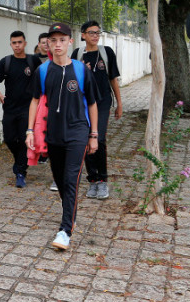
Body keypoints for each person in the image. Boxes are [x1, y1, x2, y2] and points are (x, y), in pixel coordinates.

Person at [26, 23, 99, 251]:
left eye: (62, 40)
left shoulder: (81, 70)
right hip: (53, 133)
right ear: (48, 43)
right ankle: (70, 212)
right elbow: (35, 100)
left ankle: (65, 230)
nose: (57, 44)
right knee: (59, 180)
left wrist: (93, 135)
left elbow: (93, 103)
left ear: (70, 42)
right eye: (53, 40)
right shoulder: (43, 71)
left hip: (78, 132)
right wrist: (29, 131)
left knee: (70, 180)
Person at [72, 21, 123, 200]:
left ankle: (103, 181)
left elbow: (113, 79)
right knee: (86, 141)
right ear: (83, 35)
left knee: (98, 138)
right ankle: (93, 180)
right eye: (91, 32)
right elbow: (72, 81)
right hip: (82, 104)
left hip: (102, 103)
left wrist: (119, 103)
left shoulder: (106, 52)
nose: (95, 35)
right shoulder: (77, 55)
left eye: (97, 32)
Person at [0, 31, 41, 188]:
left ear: (25, 43)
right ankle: (19, 162)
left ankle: (20, 172)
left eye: (19, 42)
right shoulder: (6, 62)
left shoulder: (33, 61)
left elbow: (44, 77)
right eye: (14, 43)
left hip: (28, 108)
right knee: (10, 139)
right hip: (10, 108)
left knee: (24, 140)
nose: (17, 45)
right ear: (11, 44)